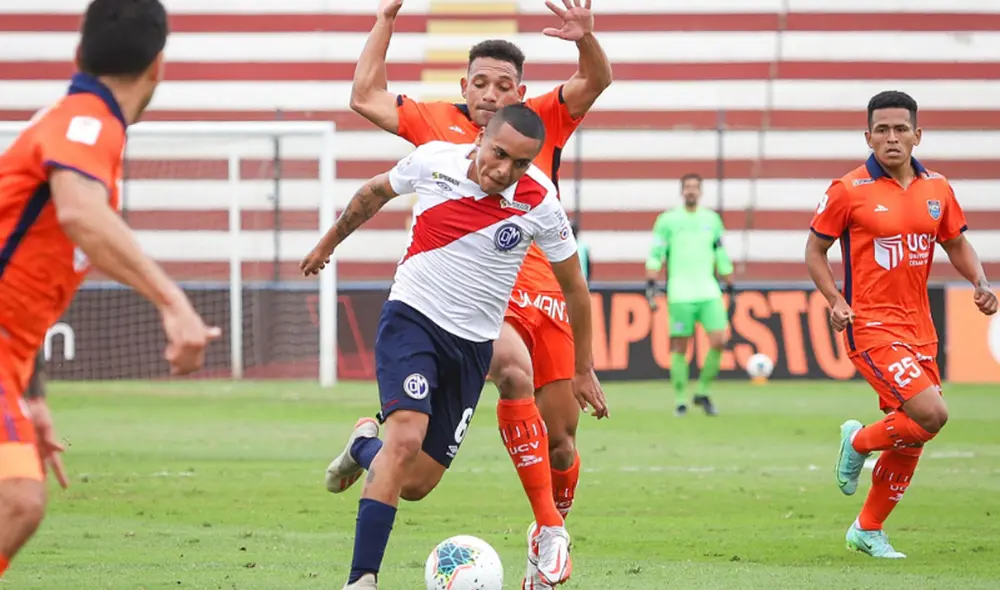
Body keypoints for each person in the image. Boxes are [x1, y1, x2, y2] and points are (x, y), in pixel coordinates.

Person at [345, 2, 612, 586]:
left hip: (546, 290)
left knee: (562, 442)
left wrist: (585, 40)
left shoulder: (538, 120)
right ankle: (549, 532)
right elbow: (365, 94)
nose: (492, 94)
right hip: (477, 299)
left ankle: (545, 540)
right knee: (512, 371)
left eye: (504, 85)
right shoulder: (433, 124)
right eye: (482, 83)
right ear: (464, 85)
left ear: (522, 89)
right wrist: (385, 19)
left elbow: (596, 80)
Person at [301, 104, 603, 590]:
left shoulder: (540, 202)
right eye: (498, 153)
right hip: (412, 320)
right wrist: (329, 242)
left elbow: (576, 288)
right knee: (403, 441)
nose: (503, 169)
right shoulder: (434, 160)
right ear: (481, 136)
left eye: (520, 163)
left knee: (415, 482)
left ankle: (361, 444)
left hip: (471, 348)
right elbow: (373, 193)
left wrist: (583, 367)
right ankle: (361, 580)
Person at [0, 0, 220, 578]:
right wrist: (174, 303)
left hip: (10, 364)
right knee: (17, 502)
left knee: (17, 504)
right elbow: (80, 215)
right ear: (158, 68)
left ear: (78, 54)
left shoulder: (74, 123)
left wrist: (34, 396)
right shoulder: (87, 122)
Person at [806, 90, 998, 559]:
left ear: (917, 134)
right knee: (931, 415)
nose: (892, 138)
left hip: (920, 327)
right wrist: (835, 300)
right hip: (870, 324)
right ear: (867, 136)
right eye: (882, 130)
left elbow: (955, 242)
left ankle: (867, 529)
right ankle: (857, 441)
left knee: (913, 433)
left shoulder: (938, 189)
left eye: (900, 129)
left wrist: (980, 279)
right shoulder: (847, 190)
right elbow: (815, 251)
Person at [644, 173, 733, 417]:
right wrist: (651, 278)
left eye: (695, 187)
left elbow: (720, 251)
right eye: (688, 188)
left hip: (708, 290)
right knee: (681, 347)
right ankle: (681, 399)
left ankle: (702, 391)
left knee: (719, 340)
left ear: (700, 191)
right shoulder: (668, 220)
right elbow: (656, 251)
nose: (691, 191)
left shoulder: (712, 219)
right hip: (680, 293)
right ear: (682, 191)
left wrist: (728, 276)